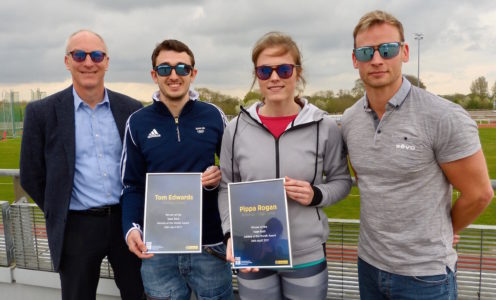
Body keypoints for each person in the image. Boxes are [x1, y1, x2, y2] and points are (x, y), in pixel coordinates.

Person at [341, 10, 494, 299]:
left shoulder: (442, 116)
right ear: (354, 60)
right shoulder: (349, 119)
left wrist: (445, 231)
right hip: (368, 266)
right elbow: (366, 177)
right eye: (365, 52)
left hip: (425, 276)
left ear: (405, 52)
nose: (376, 60)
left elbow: (480, 194)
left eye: (387, 49)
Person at [218, 31, 352, 299]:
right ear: (257, 75)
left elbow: (342, 181)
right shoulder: (235, 129)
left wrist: (317, 194)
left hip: (306, 253)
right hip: (254, 248)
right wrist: (231, 232)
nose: (275, 77)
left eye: (284, 69)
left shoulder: (324, 126)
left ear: (297, 73)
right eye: (265, 70)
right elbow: (226, 187)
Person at [19, 30, 144, 300]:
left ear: (107, 61)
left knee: (138, 293)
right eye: (79, 55)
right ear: (67, 61)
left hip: (127, 223)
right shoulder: (41, 112)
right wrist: (60, 209)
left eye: (96, 55)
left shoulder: (132, 108)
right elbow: (31, 175)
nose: (89, 62)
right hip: (76, 226)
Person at [120, 39, 233, 299]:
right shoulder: (137, 123)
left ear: (193, 74)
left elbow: (233, 174)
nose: (174, 75)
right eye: (165, 69)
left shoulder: (214, 115)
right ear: (153, 75)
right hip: (159, 249)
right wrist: (131, 228)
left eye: (182, 68)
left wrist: (216, 178)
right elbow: (132, 185)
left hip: (210, 246)